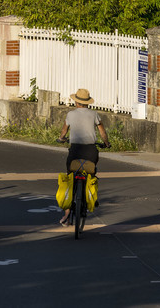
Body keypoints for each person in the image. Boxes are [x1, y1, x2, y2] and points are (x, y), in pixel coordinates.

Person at [56, 88, 109, 224]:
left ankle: (67, 215)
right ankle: (91, 198)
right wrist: (106, 143)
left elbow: (64, 131)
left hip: (75, 151)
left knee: (69, 177)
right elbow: (102, 132)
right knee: (91, 174)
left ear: (77, 102)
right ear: (87, 102)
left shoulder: (70, 115)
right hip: (91, 151)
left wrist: (61, 138)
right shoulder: (94, 114)